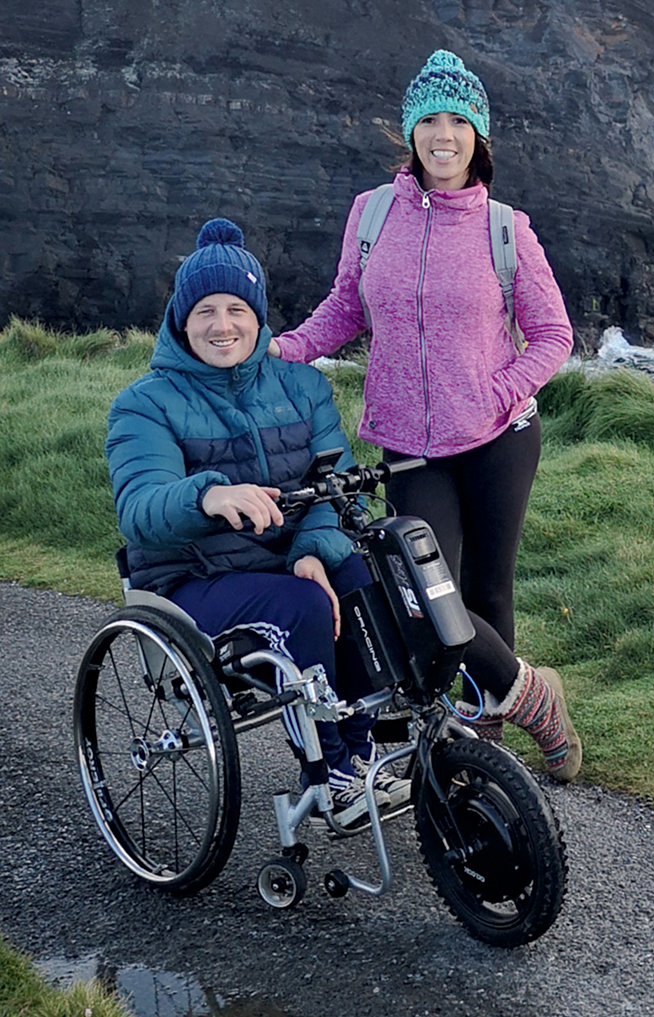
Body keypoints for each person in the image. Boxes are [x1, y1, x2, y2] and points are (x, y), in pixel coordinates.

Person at [271, 52, 580, 777]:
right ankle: (536, 698)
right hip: (410, 443)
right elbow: (346, 306)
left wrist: (497, 393)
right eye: (431, 121)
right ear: (411, 132)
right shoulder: (373, 213)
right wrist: (285, 348)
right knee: (426, 593)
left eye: (459, 122)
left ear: (479, 136)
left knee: (486, 591)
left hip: (500, 437)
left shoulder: (506, 228)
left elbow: (554, 334)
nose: (445, 136)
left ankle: (481, 742)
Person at [108, 220, 406, 823]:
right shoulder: (144, 402)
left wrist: (312, 550)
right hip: (193, 578)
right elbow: (139, 509)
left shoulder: (304, 385)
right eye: (205, 311)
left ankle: (363, 750)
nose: (222, 325)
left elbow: (334, 487)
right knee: (303, 607)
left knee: (363, 579)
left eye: (236, 309)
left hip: (285, 563)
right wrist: (207, 496)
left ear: (259, 316)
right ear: (182, 320)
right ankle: (330, 774)